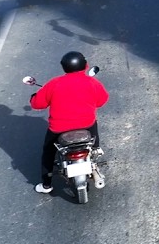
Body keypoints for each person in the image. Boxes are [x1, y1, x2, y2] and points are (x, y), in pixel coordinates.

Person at [29, 52, 109, 194]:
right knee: (93, 122)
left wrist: (33, 97)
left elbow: (37, 104)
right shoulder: (91, 82)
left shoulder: (54, 83)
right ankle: (95, 148)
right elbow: (102, 100)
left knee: (48, 152)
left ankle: (46, 185)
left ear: (64, 67)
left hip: (58, 129)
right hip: (86, 126)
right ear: (85, 65)